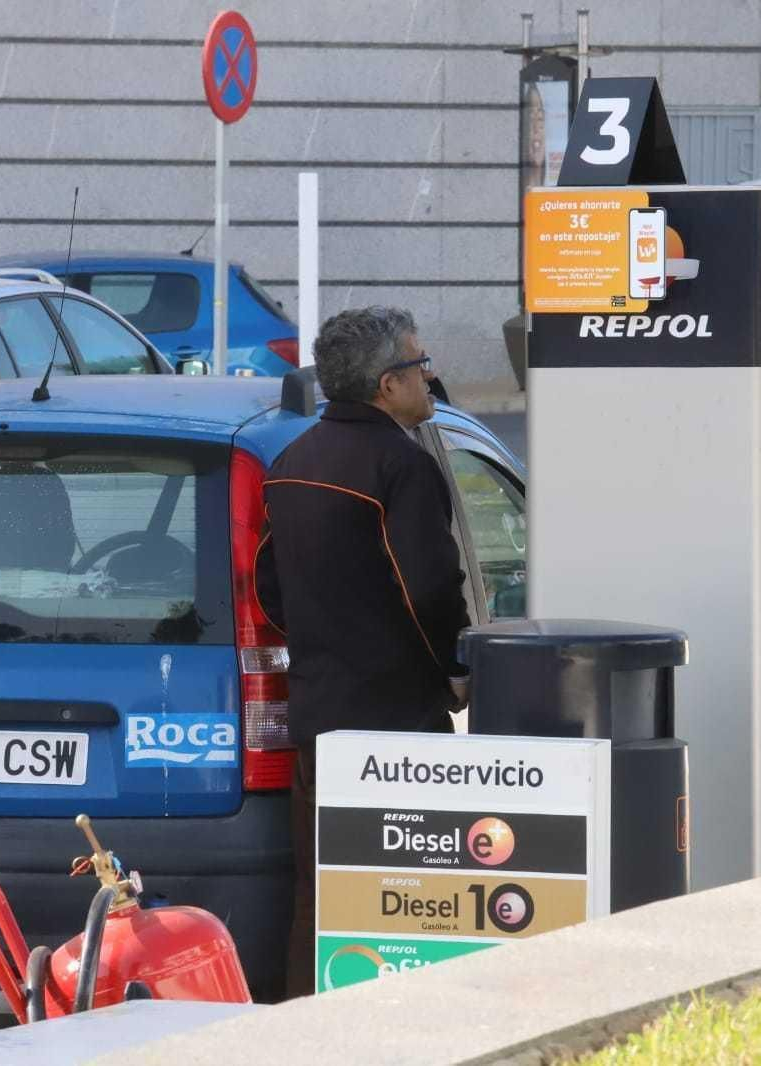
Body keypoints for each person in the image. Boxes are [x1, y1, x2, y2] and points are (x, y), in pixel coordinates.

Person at [254, 306, 472, 999]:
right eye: (419, 363)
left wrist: (324, 642)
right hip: (400, 722)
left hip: (319, 718)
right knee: (410, 892)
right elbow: (428, 589)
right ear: (387, 384)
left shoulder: (291, 462)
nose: (429, 376)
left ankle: (306, 1019)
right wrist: (456, 668)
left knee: (319, 890)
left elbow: (269, 588)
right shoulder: (402, 466)